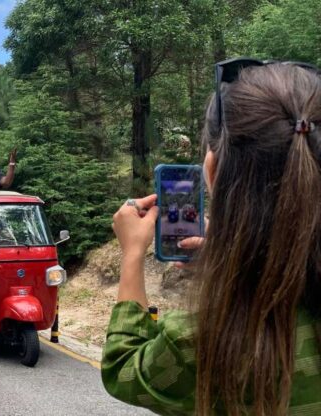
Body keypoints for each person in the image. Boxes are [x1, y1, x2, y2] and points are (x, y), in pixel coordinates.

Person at [103, 62, 321, 415]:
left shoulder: (200, 343)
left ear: (212, 169)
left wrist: (132, 254)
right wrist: (237, 257)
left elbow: (123, 369)